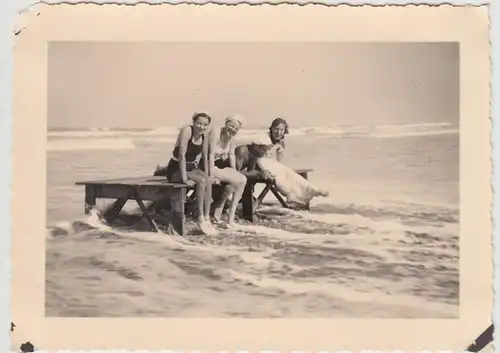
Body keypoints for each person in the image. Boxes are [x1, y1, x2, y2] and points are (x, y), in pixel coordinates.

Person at [241, 118, 328, 207]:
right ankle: (289, 194)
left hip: (270, 162)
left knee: (289, 173)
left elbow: (279, 160)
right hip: (258, 163)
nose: (279, 132)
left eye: (281, 130)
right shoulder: (262, 138)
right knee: (276, 176)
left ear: (285, 131)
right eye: (276, 129)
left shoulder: (279, 140)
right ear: (271, 128)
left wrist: (280, 150)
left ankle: (313, 190)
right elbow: (250, 151)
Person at [154, 112, 216, 235]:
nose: (201, 127)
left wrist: (209, 174)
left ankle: (207, 217)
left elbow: (205, 156)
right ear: (193, 122)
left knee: (207, 180)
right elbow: (182, 155)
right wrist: (184, 178)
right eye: (199, 123)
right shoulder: (187, 131)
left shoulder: (204, 136)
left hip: (191, 167)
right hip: (176, 168)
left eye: (205, 125)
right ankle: (200, 217)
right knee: (201, 181)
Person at [208, 115, 248, 227]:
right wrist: (211, 174)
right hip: (207, 165)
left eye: (236, 128)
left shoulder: (232, 138)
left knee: (242, 180)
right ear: (226, 123)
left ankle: (230, 215)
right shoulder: (216, 133)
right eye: (231, 126)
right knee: (241, 181)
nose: (233, 129)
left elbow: (231, 156)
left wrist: (234, 173)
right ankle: (224, 213)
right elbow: (210, 154)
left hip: (218, 167)